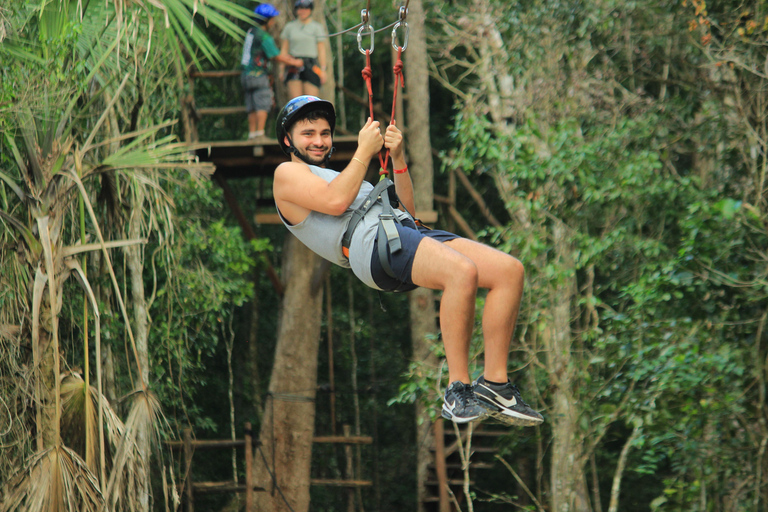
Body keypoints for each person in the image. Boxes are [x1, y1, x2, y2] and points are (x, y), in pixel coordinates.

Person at [272, 96, 544, 427]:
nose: (319, 140)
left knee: (509, 271)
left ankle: (495, 384)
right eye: (308, 133)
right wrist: (364, 151)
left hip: (399, 232)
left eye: (325, 133)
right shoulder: (286, 174)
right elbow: (334, 201)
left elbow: (408, 215)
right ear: (288, 140)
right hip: (371, 246)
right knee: (461, 272)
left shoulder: (335, 175)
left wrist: (397, 157)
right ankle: (458, 388)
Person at [240, 3, 304, 140]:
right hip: (258, 75)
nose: (274, 22)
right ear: (266, 20)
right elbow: (275, 56)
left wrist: (288, 58)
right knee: (262, 102)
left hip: (245, 75)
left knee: (251, 105)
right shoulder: (264, 36)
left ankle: (252, 135)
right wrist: (295, 62)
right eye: (272, 19)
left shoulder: (251, 32)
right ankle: (260, 134)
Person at [279, 0, 327, 99]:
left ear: (310, 10)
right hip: (293, 64)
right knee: (296, 102)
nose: (303, 11)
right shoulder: (290, 27)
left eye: (306, 8)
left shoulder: (317, 27)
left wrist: (323, 69)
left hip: (311, 64)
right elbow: (284, 49)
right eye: (300, 8)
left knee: (311, 101)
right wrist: (281, 69)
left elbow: (321, 50)